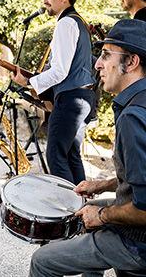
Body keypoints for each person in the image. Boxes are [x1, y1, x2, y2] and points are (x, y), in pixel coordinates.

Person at [27, 19, 146, 277]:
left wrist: (102, 215)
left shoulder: (133, 116)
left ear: (132, 62)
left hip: (138, 243)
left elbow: (143, 208)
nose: (97, 64)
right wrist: (101, 186)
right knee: (83, 212)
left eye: (105, 55)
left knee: (42, 260)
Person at [11, 0, 96, 185]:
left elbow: (60, 71)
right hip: (84, 97)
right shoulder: (79, 21)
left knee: (56, 158)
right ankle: (82, 210)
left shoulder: (66, 23)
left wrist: (29, 83)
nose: (45, 0)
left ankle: (68, 213)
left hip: (70, 100)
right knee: (71, 156)